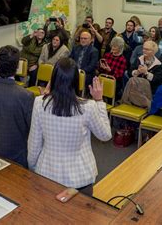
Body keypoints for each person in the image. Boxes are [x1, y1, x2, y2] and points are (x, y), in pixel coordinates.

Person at [28, 58, 111, 195]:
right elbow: (105, 135)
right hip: (80, 177)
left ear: (53, 78)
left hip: (47, 173)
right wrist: (100, 101)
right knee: (80, 217)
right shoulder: (89, 107)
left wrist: (33, 167)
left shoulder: (39, 103)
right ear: (76, 80)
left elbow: (34, 144)